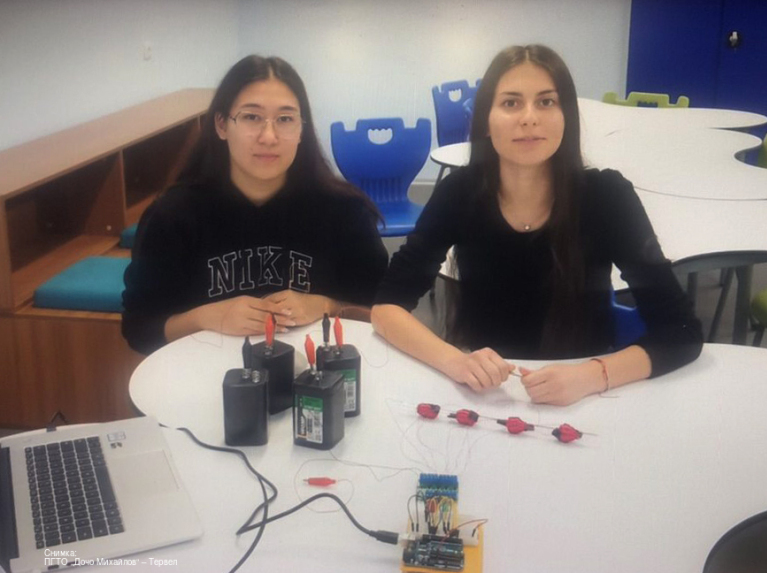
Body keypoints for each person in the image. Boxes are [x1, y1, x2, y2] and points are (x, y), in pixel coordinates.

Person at [371, 45, 703, 406]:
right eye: (511, 103)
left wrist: (593, 375)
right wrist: (457, 362)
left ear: (566, 116)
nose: (529, 118)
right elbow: (387, 307)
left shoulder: (606, 196)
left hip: (585, 398)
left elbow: (681, 331)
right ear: (486, 120)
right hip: (487, 396)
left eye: (546, 102)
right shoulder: (460, 193)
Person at [123, 55, 388, 354]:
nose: (269, 137)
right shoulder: (173, 216)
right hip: (207, 370)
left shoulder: (345, 211)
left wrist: (326, 305)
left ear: (301, 129)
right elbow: (139, 327)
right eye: (251, 117)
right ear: (222, 125)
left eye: (285, 119)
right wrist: (205, 317)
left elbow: (385, 310)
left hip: (318, 370)